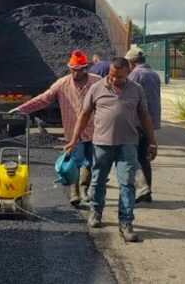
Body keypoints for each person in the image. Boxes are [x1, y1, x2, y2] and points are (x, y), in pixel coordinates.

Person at [65, 57, 158, 243]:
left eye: (120, 76)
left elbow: (145, 116)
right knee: (98, 181)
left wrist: (152, 142)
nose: (115, 79)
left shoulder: (136, 90)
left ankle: (126, 223)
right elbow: (84, 115)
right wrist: (74, 139)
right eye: (112, 75)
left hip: (128, 145)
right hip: (102, 144)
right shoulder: (97, 88)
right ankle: (96, 213)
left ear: (128, 73)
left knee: (128, 184)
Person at [13, 50, 101, 206]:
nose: (75, 73)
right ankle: (74, 193)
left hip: (95, 131)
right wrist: (22, 109)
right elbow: (44, 99)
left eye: (79, 69)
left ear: (85, 68)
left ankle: (84, 191)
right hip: (73, 132)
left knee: (90, 163)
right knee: (75, 161)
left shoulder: (97, 82)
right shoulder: (62, 84)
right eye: (73, 69)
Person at [125, 47, 161, 203]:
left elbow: (128, 98)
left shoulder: (135, 75)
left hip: (137, 122)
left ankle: (139, 191)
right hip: (150, 122)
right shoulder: (153, 73)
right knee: (144, 158)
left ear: (131, 62)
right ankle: (147, 193)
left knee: (132, 157)